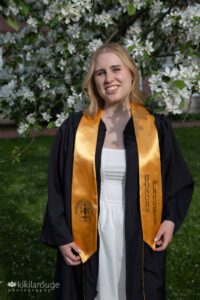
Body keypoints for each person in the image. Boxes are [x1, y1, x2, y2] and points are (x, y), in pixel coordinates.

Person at [40, 43, 194, 300]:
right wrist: (62, 236)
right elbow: (56, 186)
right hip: (88, 228)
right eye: (100, 73)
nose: (109, 78)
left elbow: (177, 180)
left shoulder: (155, 129)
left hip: (139, 229)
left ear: (131, 74)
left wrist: (170, 219)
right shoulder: (74, 129)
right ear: (93, 81)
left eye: (115, 69)